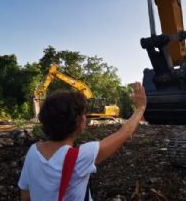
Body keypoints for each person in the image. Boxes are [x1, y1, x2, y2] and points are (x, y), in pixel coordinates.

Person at [18, 82, 146, 201]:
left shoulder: (33, 152)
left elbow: (25, 196)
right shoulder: (82, 156)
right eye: (84, 114)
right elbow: (125, 132)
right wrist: (140, 107)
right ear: (77, 121)